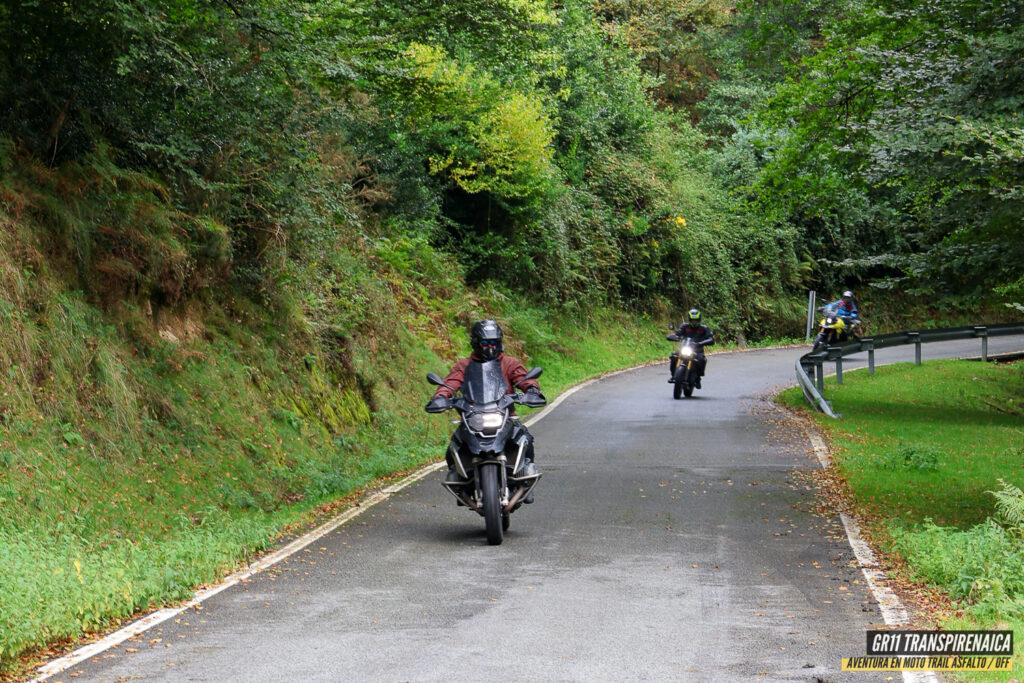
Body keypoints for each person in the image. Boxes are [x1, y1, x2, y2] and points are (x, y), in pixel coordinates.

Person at [425, 320, 545, 500]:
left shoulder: (509, 363)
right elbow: (450, 383)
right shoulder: (463, 365)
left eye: (494, 343)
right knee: (453, 448)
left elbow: (524, 379)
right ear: (475, 343)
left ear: (500, 343)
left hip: (504, 417)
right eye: (485, 343)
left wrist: (532, 390)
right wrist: (441, 397)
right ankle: (462, 482)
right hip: (473, 417)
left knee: (525, 439)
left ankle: (524, 480)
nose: (491, 347)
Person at [667, 308, 714, 387]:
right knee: (674, 356)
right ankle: (673, 375)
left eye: (696, 320)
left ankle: (698, 378)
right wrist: (673, 336)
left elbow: (710, 339)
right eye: (692, 320)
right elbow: (677, 333)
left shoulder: (704, 328)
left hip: (697, 350)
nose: (694, 322)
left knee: (701, 360)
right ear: (689, 319)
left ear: (699, 319)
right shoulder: (685, 326)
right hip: (685, 347)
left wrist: (701, 343)